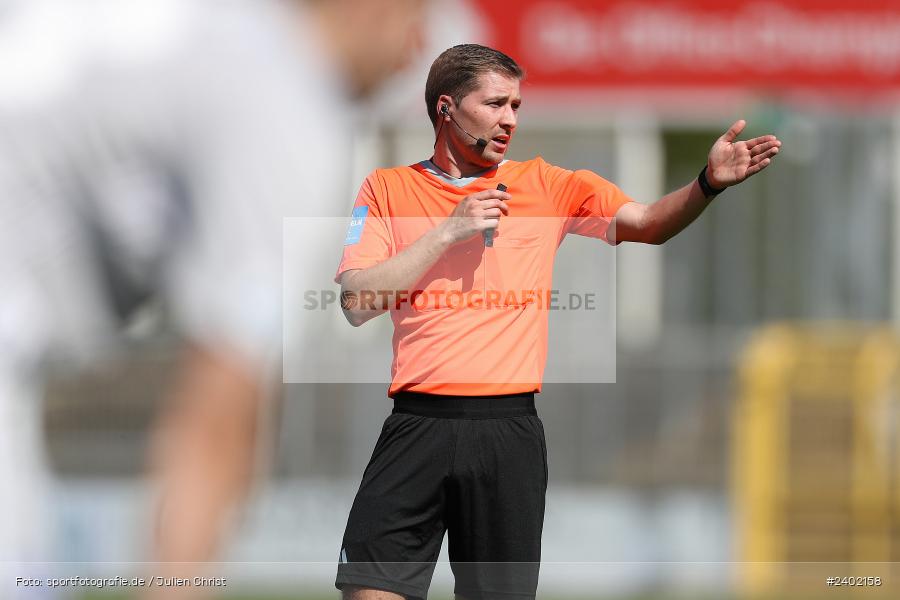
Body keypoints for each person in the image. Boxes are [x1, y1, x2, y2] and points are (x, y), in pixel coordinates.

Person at [0, 0, 424, 597]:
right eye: (414, 17)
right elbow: (220, 410)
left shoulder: (218, 30)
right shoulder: (284, 103)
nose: (417, 48)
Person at [334, 44, 781, 600]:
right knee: (367, 593)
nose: (510, 120)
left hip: (508, 434)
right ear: (446, 108)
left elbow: (645, 222)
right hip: (415, 427)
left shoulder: (548, 183)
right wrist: (447, 231)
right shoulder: (385, 188)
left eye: (517, 106)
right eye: (495, 104)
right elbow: (356, 303)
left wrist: (706, 184)